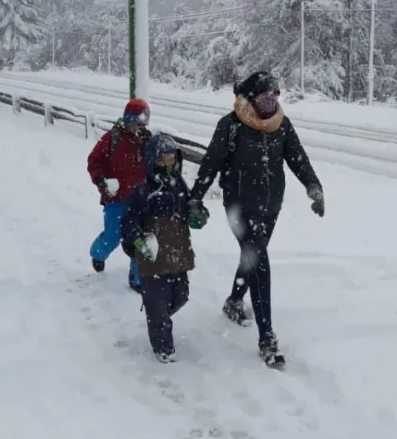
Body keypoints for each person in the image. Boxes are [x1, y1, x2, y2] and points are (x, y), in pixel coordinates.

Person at [188, 71, 324, 368]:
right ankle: (267, 337)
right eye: (264, 96)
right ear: (250, 98)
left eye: (275, 95)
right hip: (238, 207)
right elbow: (210, 164)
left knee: (253, 256)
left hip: (270, 205)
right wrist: (195, 198)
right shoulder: (231, 126)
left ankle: (235, 302)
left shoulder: (281, 124)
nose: (270, 102)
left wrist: (314, 187)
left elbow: (298, 158)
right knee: (259, 259)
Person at [120, 134, 209, 363]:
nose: (168, 164)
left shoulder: (180, 186)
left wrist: (198, 215)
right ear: (152, 161)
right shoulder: (143, 191)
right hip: (152, 257)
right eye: (163, 160)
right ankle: (162, 345)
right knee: (157, 303)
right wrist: (138, 240)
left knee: (181, 296)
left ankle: (157, 317)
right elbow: (128, 223)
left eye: (172, 159)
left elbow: (192, 210)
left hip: (177, 254)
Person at [87, 98, 152, 292]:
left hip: (140, 200)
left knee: (139, 237)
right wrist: (101, 180)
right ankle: (98, 254)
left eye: (143, 122)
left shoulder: (148, 140)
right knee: (113, 235)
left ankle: (138, 277)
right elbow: (94, 161)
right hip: (116, 199)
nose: (138, 127)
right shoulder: (112, 138)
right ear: (127, 119)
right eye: (135, 122)